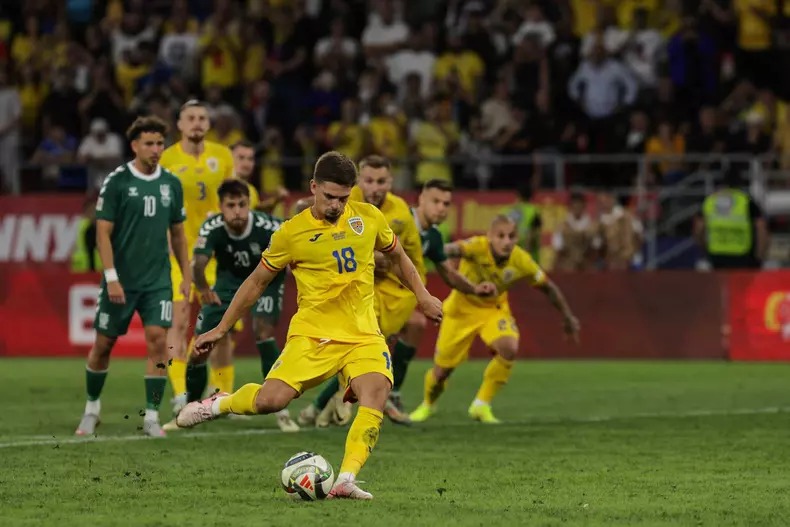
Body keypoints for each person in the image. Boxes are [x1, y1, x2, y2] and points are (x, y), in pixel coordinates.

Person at [176, 151, 443, 499]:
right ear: (314, 187)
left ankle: (346, 477)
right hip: (313, 334)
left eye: (343, 198)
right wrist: (221, 329)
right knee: (270, 402)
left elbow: (398, 256)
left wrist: (422, 294)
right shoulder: (291, 233)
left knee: (375, 393)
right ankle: (217, 404)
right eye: (329, 197)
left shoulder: (368, 217)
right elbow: (256, 283)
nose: (336, 205)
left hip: (363, 334)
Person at [75, 116, 190, 438]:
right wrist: (111, 277)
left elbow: (178, 234)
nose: (156, 149)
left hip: (157, 282)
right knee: (103, 344)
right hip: (122, 281)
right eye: (149, 144)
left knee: (157, 342)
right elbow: (103, 233)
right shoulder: (117, 182)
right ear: (135, 146)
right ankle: (92, 409)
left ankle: (151, 416)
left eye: (159, 144)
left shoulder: (171, 184)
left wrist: (186, 274)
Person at [410, 215, 580, 424]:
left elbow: (549, 288)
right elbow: (450, 250)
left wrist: (568, 316)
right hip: (460, 310)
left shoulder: (521, 260)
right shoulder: (477, 246)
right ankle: (428, 404)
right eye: (501, 236)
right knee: (442, 372)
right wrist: (428, 248)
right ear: (490, 236)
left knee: (509, 347)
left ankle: (481, 405)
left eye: (511, 236)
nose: (506, 241)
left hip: (494, 310)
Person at [297, 155, 426, 426]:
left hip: (391, 287)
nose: (375, 187)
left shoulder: (400, 213)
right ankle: (332, 401)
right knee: (360, 343)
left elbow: (401, 258)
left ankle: (378, 393)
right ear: (359, 182)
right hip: (352, 284)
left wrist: (419, 292)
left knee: (405, 328)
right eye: (369, 180)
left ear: (391, 182)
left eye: (381, 181)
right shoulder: (344, 196)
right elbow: (309, 210)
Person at [185, 178, 298, 431]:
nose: (237, 210)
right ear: (221, 207)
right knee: (200, 344)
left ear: (249, 204)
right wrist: (203, 289)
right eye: (231, 205)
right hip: (227, 284)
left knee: (263, 331)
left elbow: (296, 240)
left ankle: (282, 411)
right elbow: (199, 264)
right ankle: (190, 406)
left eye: (242, 204)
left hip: (267, 281)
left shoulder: (268, 225)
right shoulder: (211, 227)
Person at [159, 100, 235, 425]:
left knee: (222, 329)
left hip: (215, 255)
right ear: (179, 123)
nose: (197, 123)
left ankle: (222, 395)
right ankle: (179, 394)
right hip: (179, 255)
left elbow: (233, 200)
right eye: (190, 117)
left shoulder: (223, 156)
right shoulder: (167, 159)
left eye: (203, 117)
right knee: (177, 322)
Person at [694, 168, 768, 270]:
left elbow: (698, 229)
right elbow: (761, 229)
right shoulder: (747, 201)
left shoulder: (710, 200)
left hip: (716, 255)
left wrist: (704, 249)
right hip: (742, 255)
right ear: (740, 183)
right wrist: (759, 257)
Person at [230, 140, 289, 214]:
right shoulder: (221, 186)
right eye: (241, 158)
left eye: (250, 159)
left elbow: (256, 215)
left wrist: (276, 200)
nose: (246, 163)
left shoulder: (251, 190)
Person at [505, 183, 542, 260]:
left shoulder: (507, 211)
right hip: (528, 261)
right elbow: (532, 236)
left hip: (509, 260)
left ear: (517, 195)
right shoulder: (533, 212)